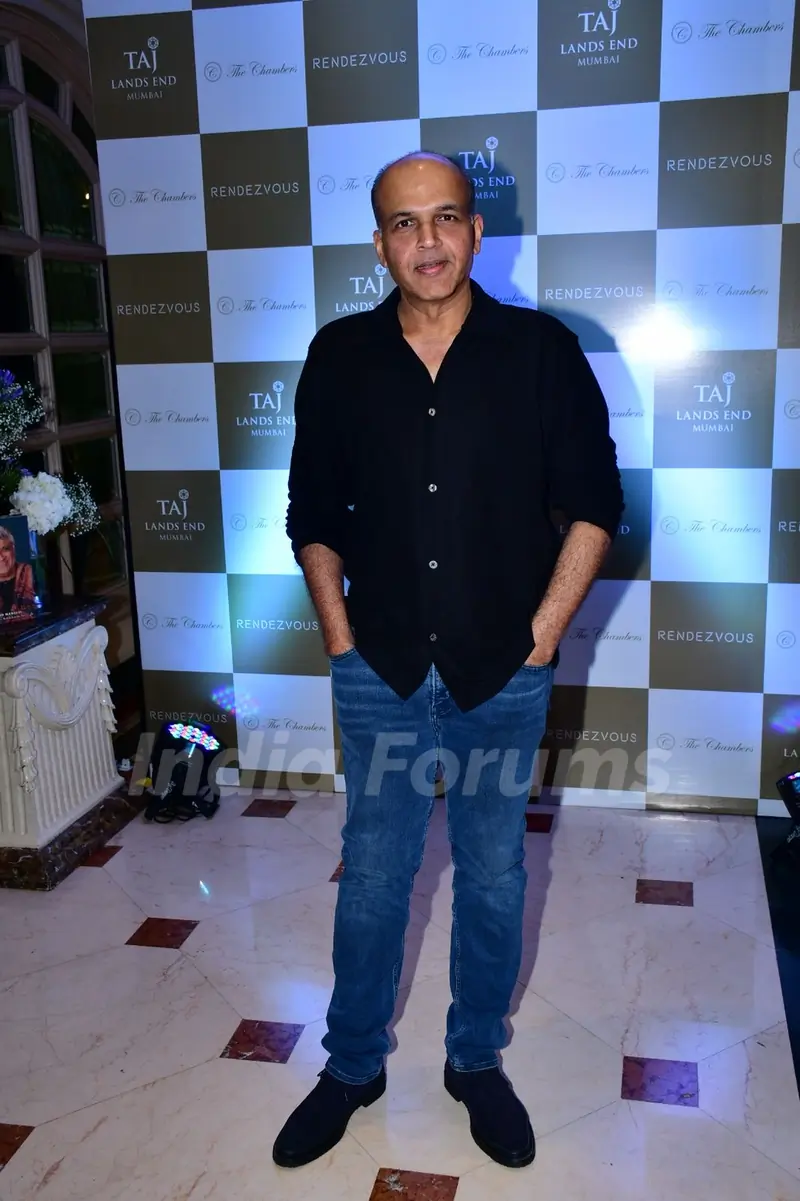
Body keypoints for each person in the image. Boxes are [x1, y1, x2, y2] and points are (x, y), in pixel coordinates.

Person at [278, 151, 624, 1171]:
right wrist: (339, 636)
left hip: (501, 671)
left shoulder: (540, 352)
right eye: (403, 223)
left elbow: (595, 504)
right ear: (377, 243)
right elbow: (311, 511)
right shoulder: (339, 356)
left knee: (493, 876)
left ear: (475, 231)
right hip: (377, 666)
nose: (425, 241)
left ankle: (475, 1059)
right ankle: (351, 1065)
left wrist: (542, 635)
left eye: (443, 219)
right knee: (372, 878)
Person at [0, 525, 35, 618]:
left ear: (13, 549)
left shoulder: (26, 571)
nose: (1, 557)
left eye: (5, 549)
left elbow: (29, 610)